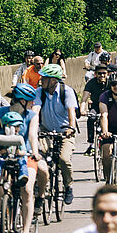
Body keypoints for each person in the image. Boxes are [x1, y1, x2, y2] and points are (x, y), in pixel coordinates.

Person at [35, 64, 80, 204]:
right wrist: (32, 126)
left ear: (54, 80)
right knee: (39, 157)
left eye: (45, 78)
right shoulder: (39, 92)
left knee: (64, 159)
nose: (41, 80)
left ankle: (68, 186)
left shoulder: (66, 91)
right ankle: (40, 188)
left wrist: (71, 127)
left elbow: (71, 111)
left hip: (64, 132)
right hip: (45, 131)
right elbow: (35, 110)